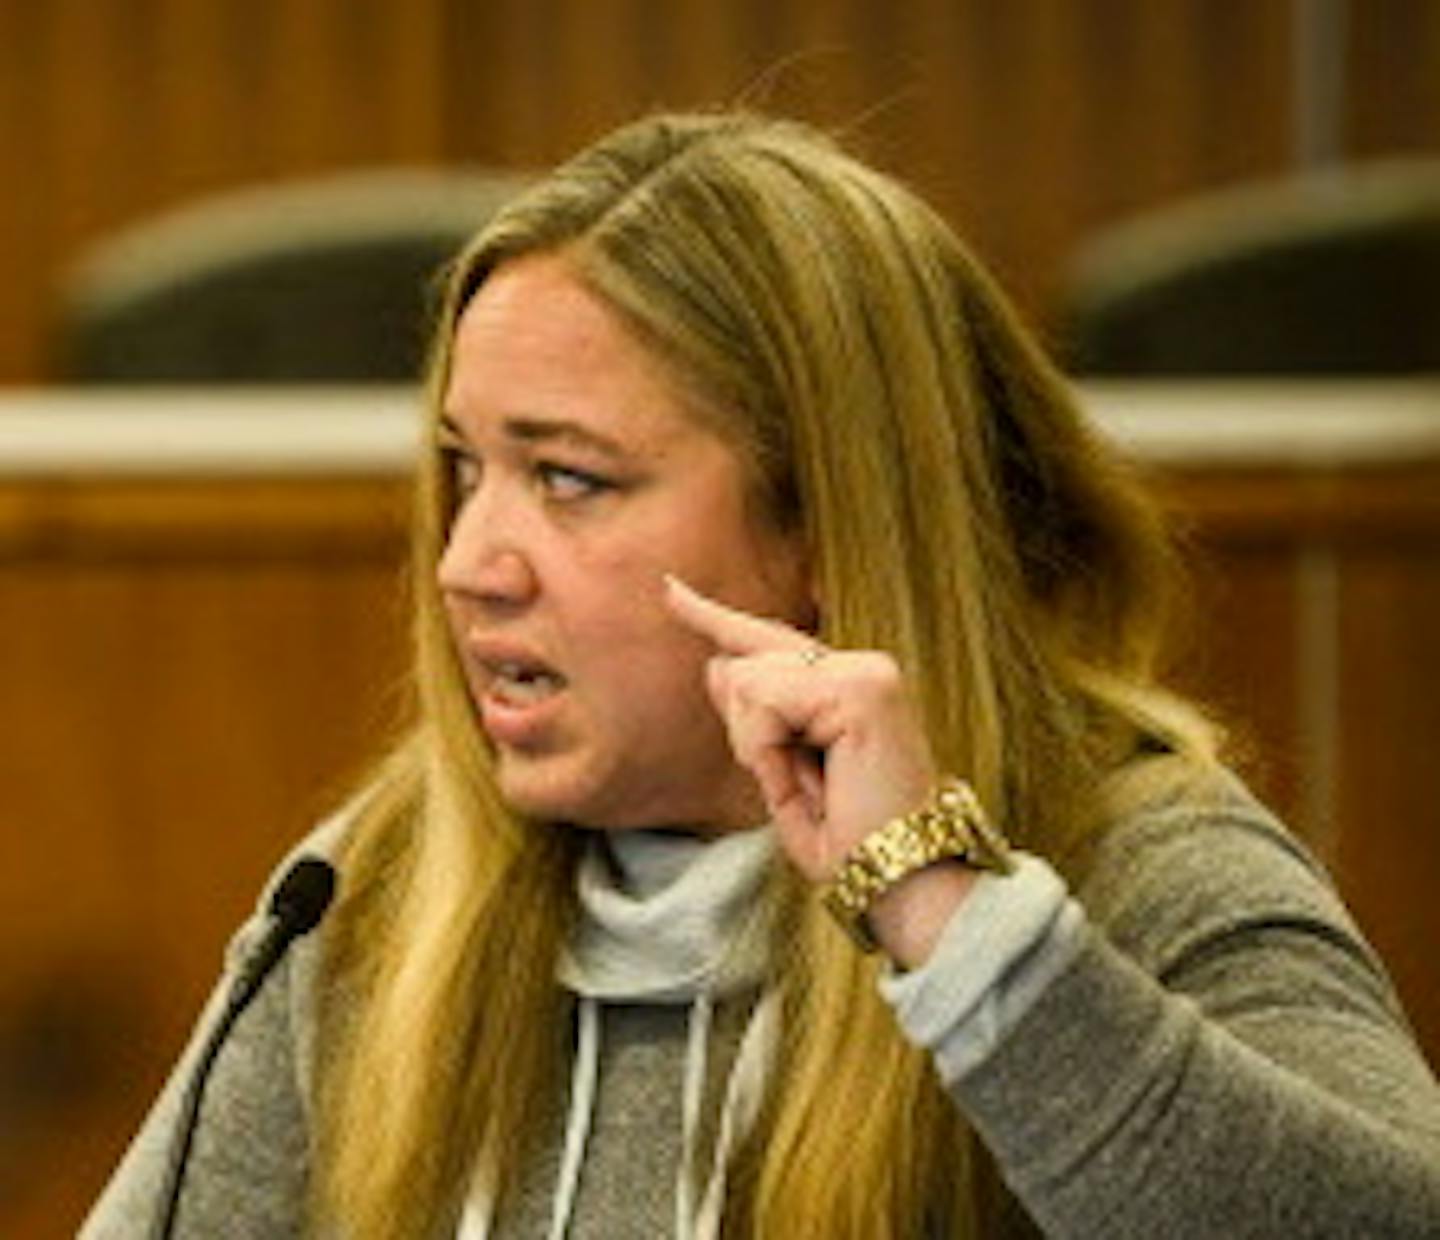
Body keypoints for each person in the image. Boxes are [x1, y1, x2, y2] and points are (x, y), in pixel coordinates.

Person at [84, 111, 1440, 1239]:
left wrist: (951, 925)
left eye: (570, 479)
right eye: (464, 467)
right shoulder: (373, 897)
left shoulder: (1125, 866)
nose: (470, 562)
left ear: (833, 531)